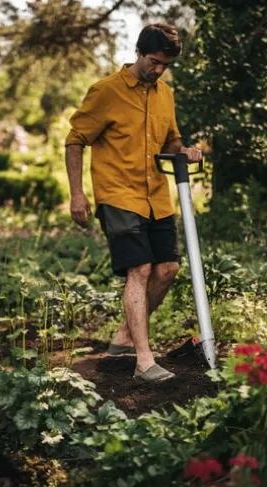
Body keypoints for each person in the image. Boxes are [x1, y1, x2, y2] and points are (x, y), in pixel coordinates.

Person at [64, 23, 202, 383]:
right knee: (139, 270)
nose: (158, 70)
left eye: (165, 65)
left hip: (156, 195)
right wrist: (77, 194)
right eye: (154, 62)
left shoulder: (165, 94)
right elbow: (75, 139)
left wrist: (184, 151)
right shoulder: (106, 91)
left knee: (167, 269)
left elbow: (169, 142)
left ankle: (125, 337)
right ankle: (143, 360)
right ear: (139, 52)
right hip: (118, 193)